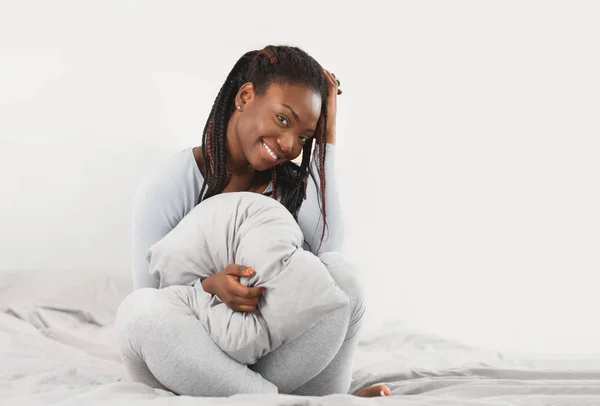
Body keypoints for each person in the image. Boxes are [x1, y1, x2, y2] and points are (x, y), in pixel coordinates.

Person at [115, 45, 391, 398]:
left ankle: (270, 397)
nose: (290, 144)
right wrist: (207, 287)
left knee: (344, 279)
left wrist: (326, 138)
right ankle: (298, 402)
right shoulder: (173, 180)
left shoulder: (290, 186)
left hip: (267, 356)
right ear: (246, 96)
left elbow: (327, 256)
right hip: (190, 359)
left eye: (304, 137)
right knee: (138, 312)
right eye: (282, 119)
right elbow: (150, 292)